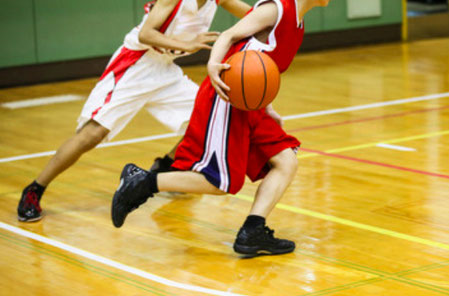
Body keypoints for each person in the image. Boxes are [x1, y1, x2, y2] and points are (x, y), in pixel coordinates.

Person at [111, 0, 331, 255]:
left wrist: (268, 106)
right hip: (226, 98)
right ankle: (144, 182)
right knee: (219, 181)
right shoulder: (277, 9)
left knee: (286, 161)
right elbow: (229, 35)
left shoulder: (297, 23)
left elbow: (263, 69)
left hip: (250, 106)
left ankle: (253, 232)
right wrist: (213, 64)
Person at [17, 0, 252, 222]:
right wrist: (187, 45)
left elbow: (254, 16)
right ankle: (35, 189)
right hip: (136, 65)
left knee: (210, 116)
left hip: (165, 69)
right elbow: (146, 34)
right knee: (92, 134)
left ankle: (166, 165)